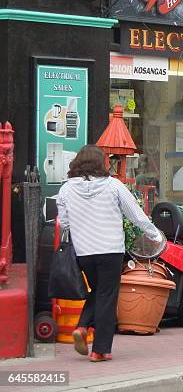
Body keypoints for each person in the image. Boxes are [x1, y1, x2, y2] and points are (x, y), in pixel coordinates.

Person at [56, 145, 162, 362]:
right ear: (101, 163)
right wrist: (156, 235)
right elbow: (136, 214)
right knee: (107, 296)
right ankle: (100, 350)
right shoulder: (113, 186)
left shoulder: (66, 189)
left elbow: (64, 222)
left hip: (84, 252)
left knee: (98, 291)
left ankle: (83, 327)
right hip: (110, 249)